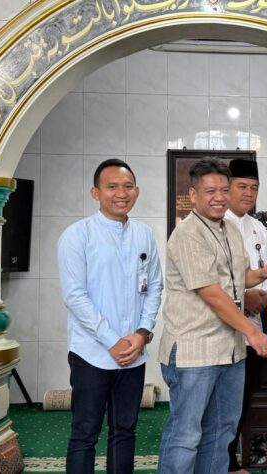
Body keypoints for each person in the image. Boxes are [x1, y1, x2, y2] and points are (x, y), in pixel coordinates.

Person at [158, 157, 267, 474]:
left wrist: (261, 274)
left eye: (224, 190)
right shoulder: (187, 234)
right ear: (193, 194)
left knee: (222, 431)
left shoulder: (231, 230)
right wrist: (252, 332)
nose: (219, 197)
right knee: (186, 434)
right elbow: (211, 292)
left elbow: (235, 279)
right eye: (210, 191)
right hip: (195, 352)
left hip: (230, 351)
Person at [57, 158, 163, 474]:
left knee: (125, 431)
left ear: (137, 191)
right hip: (91, 353)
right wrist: (111, 341)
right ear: (96, 193)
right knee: (85, 433)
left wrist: (142, 333)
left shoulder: (144, 234)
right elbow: (75, 296)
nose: (121, 193)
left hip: (134, 352)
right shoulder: (77, 236)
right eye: (112, 187)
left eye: (128, 186)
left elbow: (154, 286)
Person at [224, 159, 267, 474]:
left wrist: (262, 296)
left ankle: (230, 462)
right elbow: (213, 280)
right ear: (227, 188)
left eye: (254, 188)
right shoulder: (216, 223)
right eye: (241, 186)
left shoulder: (258, 227)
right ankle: (222, 463)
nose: (248, 193)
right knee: (222, 404)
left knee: (241, 400)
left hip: (253, 330)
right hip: (223, 330)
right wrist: (244, 298)